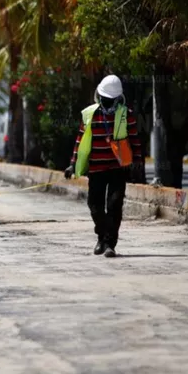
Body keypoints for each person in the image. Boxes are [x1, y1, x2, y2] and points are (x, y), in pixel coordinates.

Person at [65, 75, 143, 258]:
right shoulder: (90, 114)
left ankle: (109, 244)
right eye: (104, 99)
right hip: (96, 169)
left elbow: (134, 139)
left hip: (118, 168)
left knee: (115, 205)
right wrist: (72, 164)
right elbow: (80, 140)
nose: (106, 103)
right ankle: (101, 236)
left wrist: (137, 160)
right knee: (95, 206)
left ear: (117, 99)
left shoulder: (126, 114)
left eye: (110, 100)